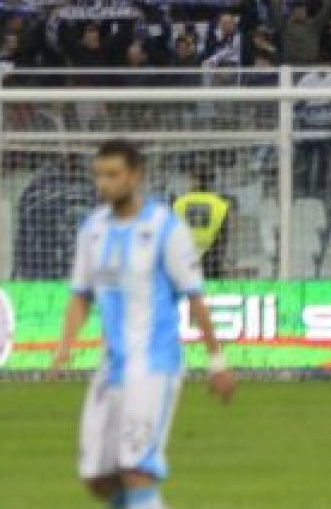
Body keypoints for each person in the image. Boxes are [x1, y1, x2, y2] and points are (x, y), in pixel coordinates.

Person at [51, 139, 234, 509]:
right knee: (99, 478)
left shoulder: (165, 227)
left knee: (137, 470)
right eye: (99, 175)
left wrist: (217, 361)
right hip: (111, 367)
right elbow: (81, 294)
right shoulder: (92, 229)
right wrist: (65, 346)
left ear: (135, 176)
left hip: (153, 365)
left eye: (113, 175)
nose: (104, 183)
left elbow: (195, 298)